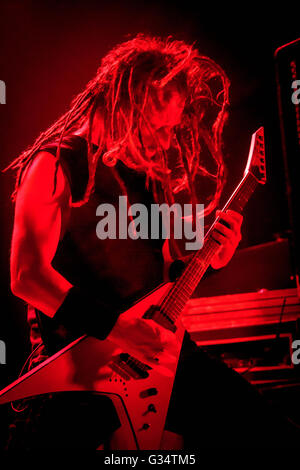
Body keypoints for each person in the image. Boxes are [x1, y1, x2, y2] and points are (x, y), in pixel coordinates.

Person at [5, 34, 298, 449]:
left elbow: (158, 281)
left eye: (171, 129)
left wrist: (211, 257)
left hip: (155, 362)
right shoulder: (55, 163)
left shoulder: (144, 177)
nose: (166, 140)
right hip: (77, 375)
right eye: (158, 125)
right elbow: (27, 277)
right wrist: (119, 329)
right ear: (127, 100)